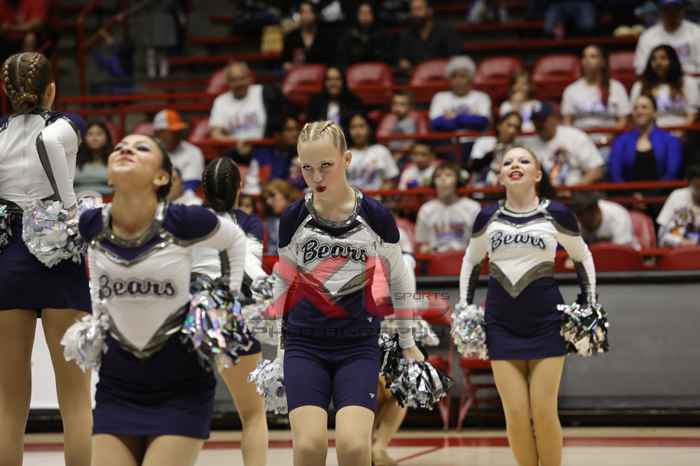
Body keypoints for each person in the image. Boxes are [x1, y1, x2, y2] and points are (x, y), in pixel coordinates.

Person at [79, 134, 247, 466]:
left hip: (181, 386)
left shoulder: (183, 220)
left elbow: (234, 239)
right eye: (120, 147)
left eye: (141, 148)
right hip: (117, 385)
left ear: (161, 178)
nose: (126, 149)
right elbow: (96, 268)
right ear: (109, 175)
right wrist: (99, 314)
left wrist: (223, 302)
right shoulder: (92, 223)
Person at [270, 120, 423, 466]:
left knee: (354, 448)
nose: (317, 176)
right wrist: (278, 347)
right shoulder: (293, 218)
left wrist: (407, 340)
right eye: (307, 167)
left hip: (357, 345)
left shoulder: (375, 216)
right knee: (308, 447)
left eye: (326, 165)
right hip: (304, 344)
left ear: (347, 159)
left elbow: (400, 278)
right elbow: (283, 281)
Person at [457, 146, 598, 466]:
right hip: (500, 323)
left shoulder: (556, 213)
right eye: (507, 162)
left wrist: (589, 302)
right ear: (500, 176)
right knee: (517, 414)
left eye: (524, 160)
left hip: (546, 320)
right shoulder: (487, 216)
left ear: (537, 174)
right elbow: (471, 260)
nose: (515, 165)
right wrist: (465, 306)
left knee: (544, 410)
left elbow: (582, 256)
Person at [0, 52, 92, 466]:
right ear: (51, 90)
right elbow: (51, 142)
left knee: (8, 404)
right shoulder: (66, 124)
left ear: (6, 92)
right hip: (58, 254)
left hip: (9, 256)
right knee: (75, 400)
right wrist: (70, 209)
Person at [192, 157, 268, 466]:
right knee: (253, 413)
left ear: (203, 189)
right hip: (236, 313)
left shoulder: (187, 219)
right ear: (240, 187)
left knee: (181, 409)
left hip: (194, 314)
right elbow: (251, 270)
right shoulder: (250, 223)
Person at [608, 94, 684, 182]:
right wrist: (628, 190)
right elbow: (615, 174)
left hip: (663, 190)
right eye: (635, 108)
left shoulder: (670, 140)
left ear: (655, 112)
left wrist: (657, 190)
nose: (639, 111)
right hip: (628, 190)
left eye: (644, 107)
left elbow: (672, 173)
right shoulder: (621, 141)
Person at [526, 102, 604, 187]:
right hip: (542, 192)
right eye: (536, 121)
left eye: (543, 120)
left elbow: (596, 170)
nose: (539, 125)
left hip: (574, 191)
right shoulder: (528, 143)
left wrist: (574, 189)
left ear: (554, 118)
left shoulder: (574, 136)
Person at [209, 61, 292, 141]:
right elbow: (216, 134)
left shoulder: (265, 93)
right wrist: (237, 143)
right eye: (234, 80)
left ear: (249, 78)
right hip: (233, 148)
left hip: (264, 146)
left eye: (242, 78)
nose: (239, 83)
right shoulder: (220, 101)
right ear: (228, 82)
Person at [562, 45, 631, 134]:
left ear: (602, 62)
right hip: (580, 140)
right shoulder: (571, 90)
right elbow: (567, 123)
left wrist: (608, 139)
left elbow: (623, 121)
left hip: (611, 139)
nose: (587, 60)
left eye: (593, 56)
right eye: (584, 57)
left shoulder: (617, 87)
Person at [415, 163, 481, 253]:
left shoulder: (473, 207)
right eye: (438, 176)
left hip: (464, 257)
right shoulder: (426, 209)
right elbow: (422, 243)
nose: (443, 179)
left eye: (448, 175)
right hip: (436, 258)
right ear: (433, 182)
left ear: (457, 180)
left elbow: (479, 242)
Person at [630, 44, 699, 129]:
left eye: (663, 58)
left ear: (673, 61)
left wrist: (679, 133)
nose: (658, 63)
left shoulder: (687, 82)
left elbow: (692, 115)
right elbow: (634, 116)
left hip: (682, 130)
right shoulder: (640, 85)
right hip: (650, 132)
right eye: (654, 59)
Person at [634, 0, 700, 75]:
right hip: (658, 80)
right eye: (667, 9)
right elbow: (640, 70)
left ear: (683, 9)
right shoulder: (647, 36)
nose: (671, 12)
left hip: (690, 78)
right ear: (660, 10)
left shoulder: (697, 33)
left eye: (676, 8)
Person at [396, 0, 462, 74]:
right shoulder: (407, 34)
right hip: (416, 76)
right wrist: (404, 63)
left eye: (419, 9)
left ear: (429, 11)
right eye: (413, 10)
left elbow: (455, 59)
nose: (415, 14)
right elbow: (402, 59)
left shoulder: (446, 31)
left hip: (443, 75)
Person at [430, 55, 492, 132]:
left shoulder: (482, 97)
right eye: (454, 76)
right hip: (448, 139)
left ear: (470, 78)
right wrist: (470, 118)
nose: (458, 80)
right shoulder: (440, 97)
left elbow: (482, 122)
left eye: (462, 76)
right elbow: (436, 124)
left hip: (476, 138)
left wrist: (455, 118)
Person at [243, 115, 300, 196]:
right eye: (289, 130)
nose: (295, 133)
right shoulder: (262, 155)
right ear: (277, 134)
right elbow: (254, 185)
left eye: (297, 129)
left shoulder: (302, 156)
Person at [153, 109, 204, 192]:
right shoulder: (145, 153)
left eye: (178, 131)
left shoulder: (193, 152)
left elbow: (191, 186)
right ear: (158, 133)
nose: (176, 135)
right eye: (172, 132)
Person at [347, 113, 400, 190]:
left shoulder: (381, 150)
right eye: (353, 127)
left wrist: (379, 194)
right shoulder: (343, 154)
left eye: (361, 126)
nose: (357, 131)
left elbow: (392, 179)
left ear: (369, 128)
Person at [469, 111, 523, 186]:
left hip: (507, 188)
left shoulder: (519, 150)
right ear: (499, 125)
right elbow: (474, 167)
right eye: (509, 125)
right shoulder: (484, 141)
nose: (512, 131)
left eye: (516, 127)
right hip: (482, 186)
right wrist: (492, 152)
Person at [569, 191, 639, 248]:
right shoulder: (576, 223)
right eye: (578, 214)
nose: (581, 218)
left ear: (595, 208)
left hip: (628, 257)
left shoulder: (618, 216)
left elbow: (623, 252)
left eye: (584, 213)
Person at [335, 2, 392, 69]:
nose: (365, 16)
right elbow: (342, 58)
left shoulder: (382, 34)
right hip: (353, 69)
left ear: (373, 15)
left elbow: (387, 58)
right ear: (357, 15)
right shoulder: (348, 34)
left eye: (368, 12)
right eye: (362, 13)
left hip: (377, 69)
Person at [282, 1, 335, 71]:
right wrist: (288, 66)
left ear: (315, 14)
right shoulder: (292, 36)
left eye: (310, 12)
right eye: (303, 12)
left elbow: (331, 61)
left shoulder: (326, 36)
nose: (307, 16)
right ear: (299, 15)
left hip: (321, 72)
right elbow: (285, 61)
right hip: (298, 73)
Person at [657, 164, 700, 246]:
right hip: (679, 248)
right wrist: (681, 242)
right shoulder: (678, 197)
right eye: (698, 186)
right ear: (690, 183)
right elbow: (663, 234)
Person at [377, 91, 429, 156]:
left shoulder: (416, 118)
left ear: (411, 106)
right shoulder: (389, 118)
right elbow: (381, 137)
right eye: (395, 103)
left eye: (402, 104)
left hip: (411, 154)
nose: (397, 107)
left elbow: (422, 137)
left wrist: (400, 154)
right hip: (389, 153)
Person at [262, 179, 303, 254]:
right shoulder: (271, 220)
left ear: (287, 195)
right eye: (266, 198)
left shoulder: (303, 216)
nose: (268, 202)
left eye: (272, 196)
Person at [75, 118, 114, 195]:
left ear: (107, 137)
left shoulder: (114, 159)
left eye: (99, 134)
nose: (94, 138)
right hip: (76, 200)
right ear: (83, 138)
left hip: (108, 199)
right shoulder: (73, 158)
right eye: (90, 134)